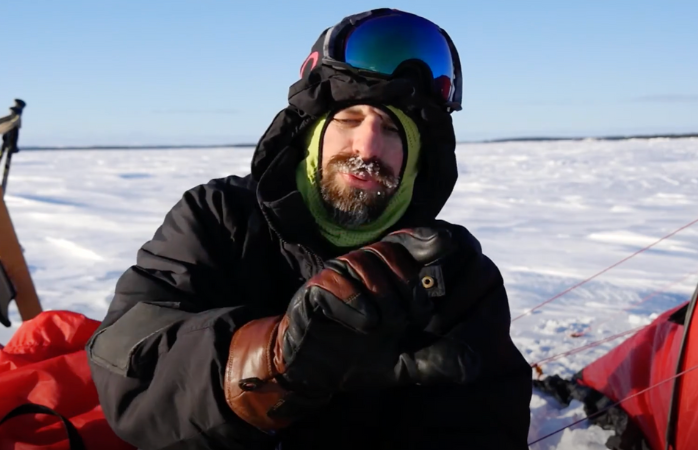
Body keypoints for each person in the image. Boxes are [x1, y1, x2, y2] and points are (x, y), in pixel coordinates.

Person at [87, 8, 532, 450]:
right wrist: (270, 362)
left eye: (393, 130)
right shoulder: (217, 217)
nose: (367, 147)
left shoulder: (454, 274)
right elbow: (128, 375)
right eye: (349, 120)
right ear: (311, 133)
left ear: (417, 160)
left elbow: (488, 426)